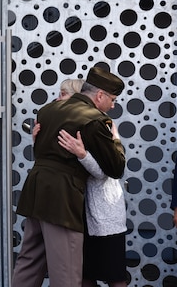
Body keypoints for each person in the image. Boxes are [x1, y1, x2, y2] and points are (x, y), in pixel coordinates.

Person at [12, 67, 126, 287]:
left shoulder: (47, 110)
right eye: (113, 99)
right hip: (62, 198)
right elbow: (115, 167)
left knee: (29, 261)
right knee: (66, 270)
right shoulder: (94, 120)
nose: (113, 105)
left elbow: (43, 152)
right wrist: (115, 138)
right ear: (100, 95)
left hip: (36, 191)